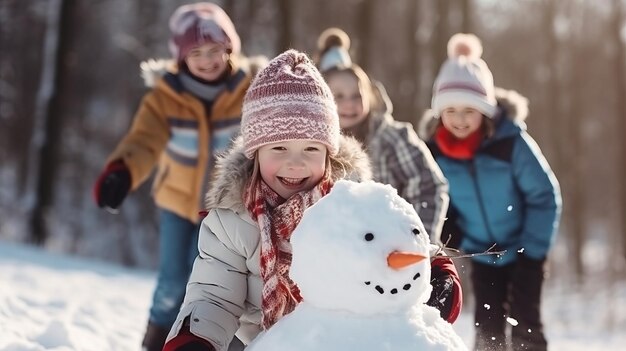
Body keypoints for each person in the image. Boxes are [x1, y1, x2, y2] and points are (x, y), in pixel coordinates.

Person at [162, 49, 372, 351]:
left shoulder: (353, 206)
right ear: (255, 154)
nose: (295, 163)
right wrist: (195, 340)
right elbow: (215, 296)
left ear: (329, 155)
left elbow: (396, 243)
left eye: (311, 149)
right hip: (270, 343)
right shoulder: (231, 222)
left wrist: (432, 271)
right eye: (279, 149)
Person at [91, 3, 265, 350]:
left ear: (229, 49)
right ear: (181, 56)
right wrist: (122, 171)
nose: (206, 59)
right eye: (196, 52)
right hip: (176, 204)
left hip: (225, 209)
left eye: (215, 50)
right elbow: (144, 140)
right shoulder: (166, 96)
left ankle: (206, 340)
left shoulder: (249, 92)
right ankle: (155, 339)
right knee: (172, 281)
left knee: (206, 280)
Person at [419, 33, 562, 351]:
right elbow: (434, 196)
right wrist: (451, 230)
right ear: (439, 112)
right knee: (488, 328)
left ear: (485, 111)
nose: (459, 120)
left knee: (526, 325)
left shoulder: (510, 144)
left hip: (525, 251)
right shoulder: (433, 152)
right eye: (450, 110)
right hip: (483, 253)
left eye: (469, 110)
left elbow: (544, 196)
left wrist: (533, 254)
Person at [314, 27, 461, 324]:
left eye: (356, 95)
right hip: (345, 254)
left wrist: (420, 237)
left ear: (370, 95)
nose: (349, 104)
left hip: (395, 247)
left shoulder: (392, 137)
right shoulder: (315, 146)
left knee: (410, 305)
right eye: (338, 96)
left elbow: (430, 185)